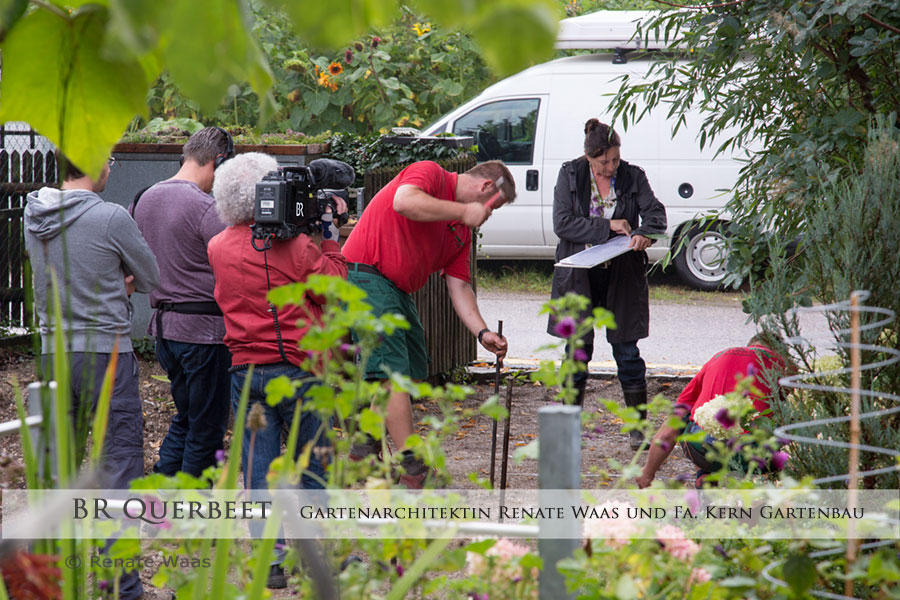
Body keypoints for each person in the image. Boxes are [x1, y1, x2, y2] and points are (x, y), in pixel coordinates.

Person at [207, 152, 348, 588]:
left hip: (246, 370)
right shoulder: (298, 246)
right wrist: (329, 236)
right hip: (301, 369)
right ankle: (315, 557)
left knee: (259, 469)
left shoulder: (218, 246)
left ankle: (270, 560)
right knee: (312, 466)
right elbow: (336, 292)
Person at [25, 151, 159, 600]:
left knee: (55, 468)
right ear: (97, 164)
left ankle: (42, 581)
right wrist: (117, 280)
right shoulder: (110, 217)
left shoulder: (33, 211)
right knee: (117, 466)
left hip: (51, 355)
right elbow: (151, 275)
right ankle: (123, 588)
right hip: (107, 355)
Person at [341, 159, 514, 489]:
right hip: (365, 274)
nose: (490, 215)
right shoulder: (431, 173)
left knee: (412, 370)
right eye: (493, 207)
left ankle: (363, 449)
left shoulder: (462, 233)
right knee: (392, 374)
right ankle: (414, 467)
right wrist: (462, 212)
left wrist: (483, 331)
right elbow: (404, 202)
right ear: (486, 187)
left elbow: (460, 286)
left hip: (397, 290)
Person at [547, 119, 667, 450]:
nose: (611, 167)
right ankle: (569, 427)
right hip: (579, 275)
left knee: (627, 352)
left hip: (622, 276)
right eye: (604, 163)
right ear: (589, 158)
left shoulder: (633, 175)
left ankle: (637, 430)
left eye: (615, 159)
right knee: (577, 352)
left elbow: (656, 214)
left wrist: (644, 233)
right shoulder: (569, 174)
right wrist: (607, 226)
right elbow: (562, 224)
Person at [132, 126, 234, 479]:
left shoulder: (144, 198)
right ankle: (190, 512)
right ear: (217, 162)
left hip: (164, 330)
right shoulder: (206, 207)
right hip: (204, 333)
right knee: (207, 428)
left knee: (187, 417)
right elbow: (234, 262)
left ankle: (161, 488)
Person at [635, 335, 791, 488]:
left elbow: (669, 429)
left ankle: (705, 477)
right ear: (780, 352)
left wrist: (648, 473)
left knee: (692, 413)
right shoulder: (786, 366)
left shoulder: (719, 357)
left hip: (704, 449)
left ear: (749, 344)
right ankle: (767, 486)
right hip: (756, 454)